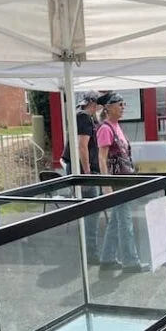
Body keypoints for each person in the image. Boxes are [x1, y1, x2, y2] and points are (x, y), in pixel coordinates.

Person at [97, 92, 147, 273]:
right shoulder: (105, 129)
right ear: (108, 108)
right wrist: (106, 184)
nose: (123, 107)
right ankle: (131, 262)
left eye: (123, 104)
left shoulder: (117, 126)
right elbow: (102, 158)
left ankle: (107, 258)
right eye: (119, 104)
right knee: (124, 222)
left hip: (124, 180)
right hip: (116, 182)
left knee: (116, 222)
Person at [62, 91, 102, 262]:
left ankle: (87, 251)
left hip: (77, 167)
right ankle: (90, 253)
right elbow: (82, 146)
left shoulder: (79, 115)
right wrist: (87, 173)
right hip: (84, 170)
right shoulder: (85, 118)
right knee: (91, 212)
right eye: (99, 104)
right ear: (93, 103)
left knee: (87, 211)